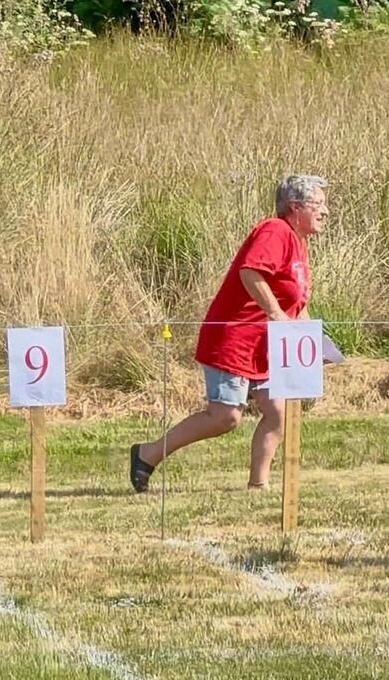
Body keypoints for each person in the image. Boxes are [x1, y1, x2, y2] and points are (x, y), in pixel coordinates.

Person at [128, 175, 329, 493]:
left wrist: (314, 344)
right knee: (225, 417)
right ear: (295, 207)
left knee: (279, 414)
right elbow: (250, 271)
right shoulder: (275, 231)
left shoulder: (299, 244)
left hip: (266, 346)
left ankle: (257, 486)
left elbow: (296, 303)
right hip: (235, 338)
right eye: (319, 204)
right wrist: (275, 314)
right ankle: (147, 454)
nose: (325, 211)